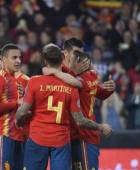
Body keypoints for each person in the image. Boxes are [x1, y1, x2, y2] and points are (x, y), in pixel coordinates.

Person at [16, 43, 112, 170]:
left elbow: (22, 112)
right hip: (60, 141)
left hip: (37, 138)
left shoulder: (34, 81)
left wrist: (18, 120)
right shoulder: (71, 86)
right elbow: (79, 120)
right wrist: (100, 126)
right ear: (62, 59)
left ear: (45, 60)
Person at [44, 38, 115, 170]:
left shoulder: (85, 75)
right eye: (76, 53)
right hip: (64, 138)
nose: (81, 58)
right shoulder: (58, 73)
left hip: (83, 135)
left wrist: (109, 89)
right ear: (65, 53)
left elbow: (94, 91)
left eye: (82, 54)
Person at [0, 43, 29, 170]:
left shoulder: (16, 80)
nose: (18, 61)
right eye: (14, 57)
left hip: (17, 136)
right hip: (2, 135)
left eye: (19, 57)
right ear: (4, 59)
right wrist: (17, 103)